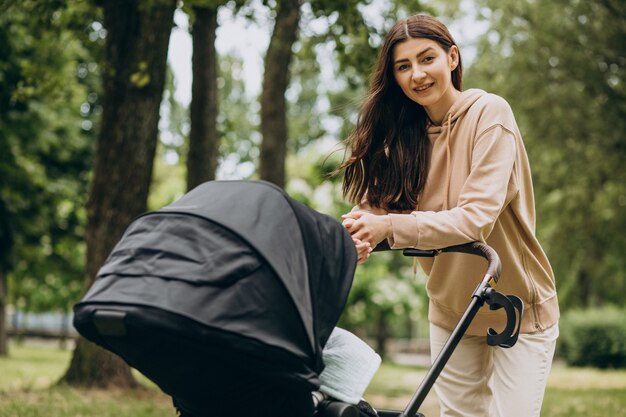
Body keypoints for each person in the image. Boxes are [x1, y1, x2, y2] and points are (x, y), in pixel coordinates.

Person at [338, 14, 560, 417]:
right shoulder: (405, 136)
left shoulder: (490, 115)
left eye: (427, 59)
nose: (417, 74)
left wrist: (388, 226)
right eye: (403, 67)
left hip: (517, 309)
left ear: (452, 58)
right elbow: (376, 205)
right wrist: (355, 234)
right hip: (451, 310)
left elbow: (475, 219)